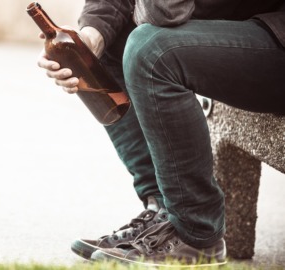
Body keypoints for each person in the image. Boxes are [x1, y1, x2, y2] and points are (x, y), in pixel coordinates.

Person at [37, 0, 285, 266]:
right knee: (106, 44)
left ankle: (196, 234)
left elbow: (164, 12)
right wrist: (91, 38)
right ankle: (164, 212)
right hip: (251, 21)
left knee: (150, 49)